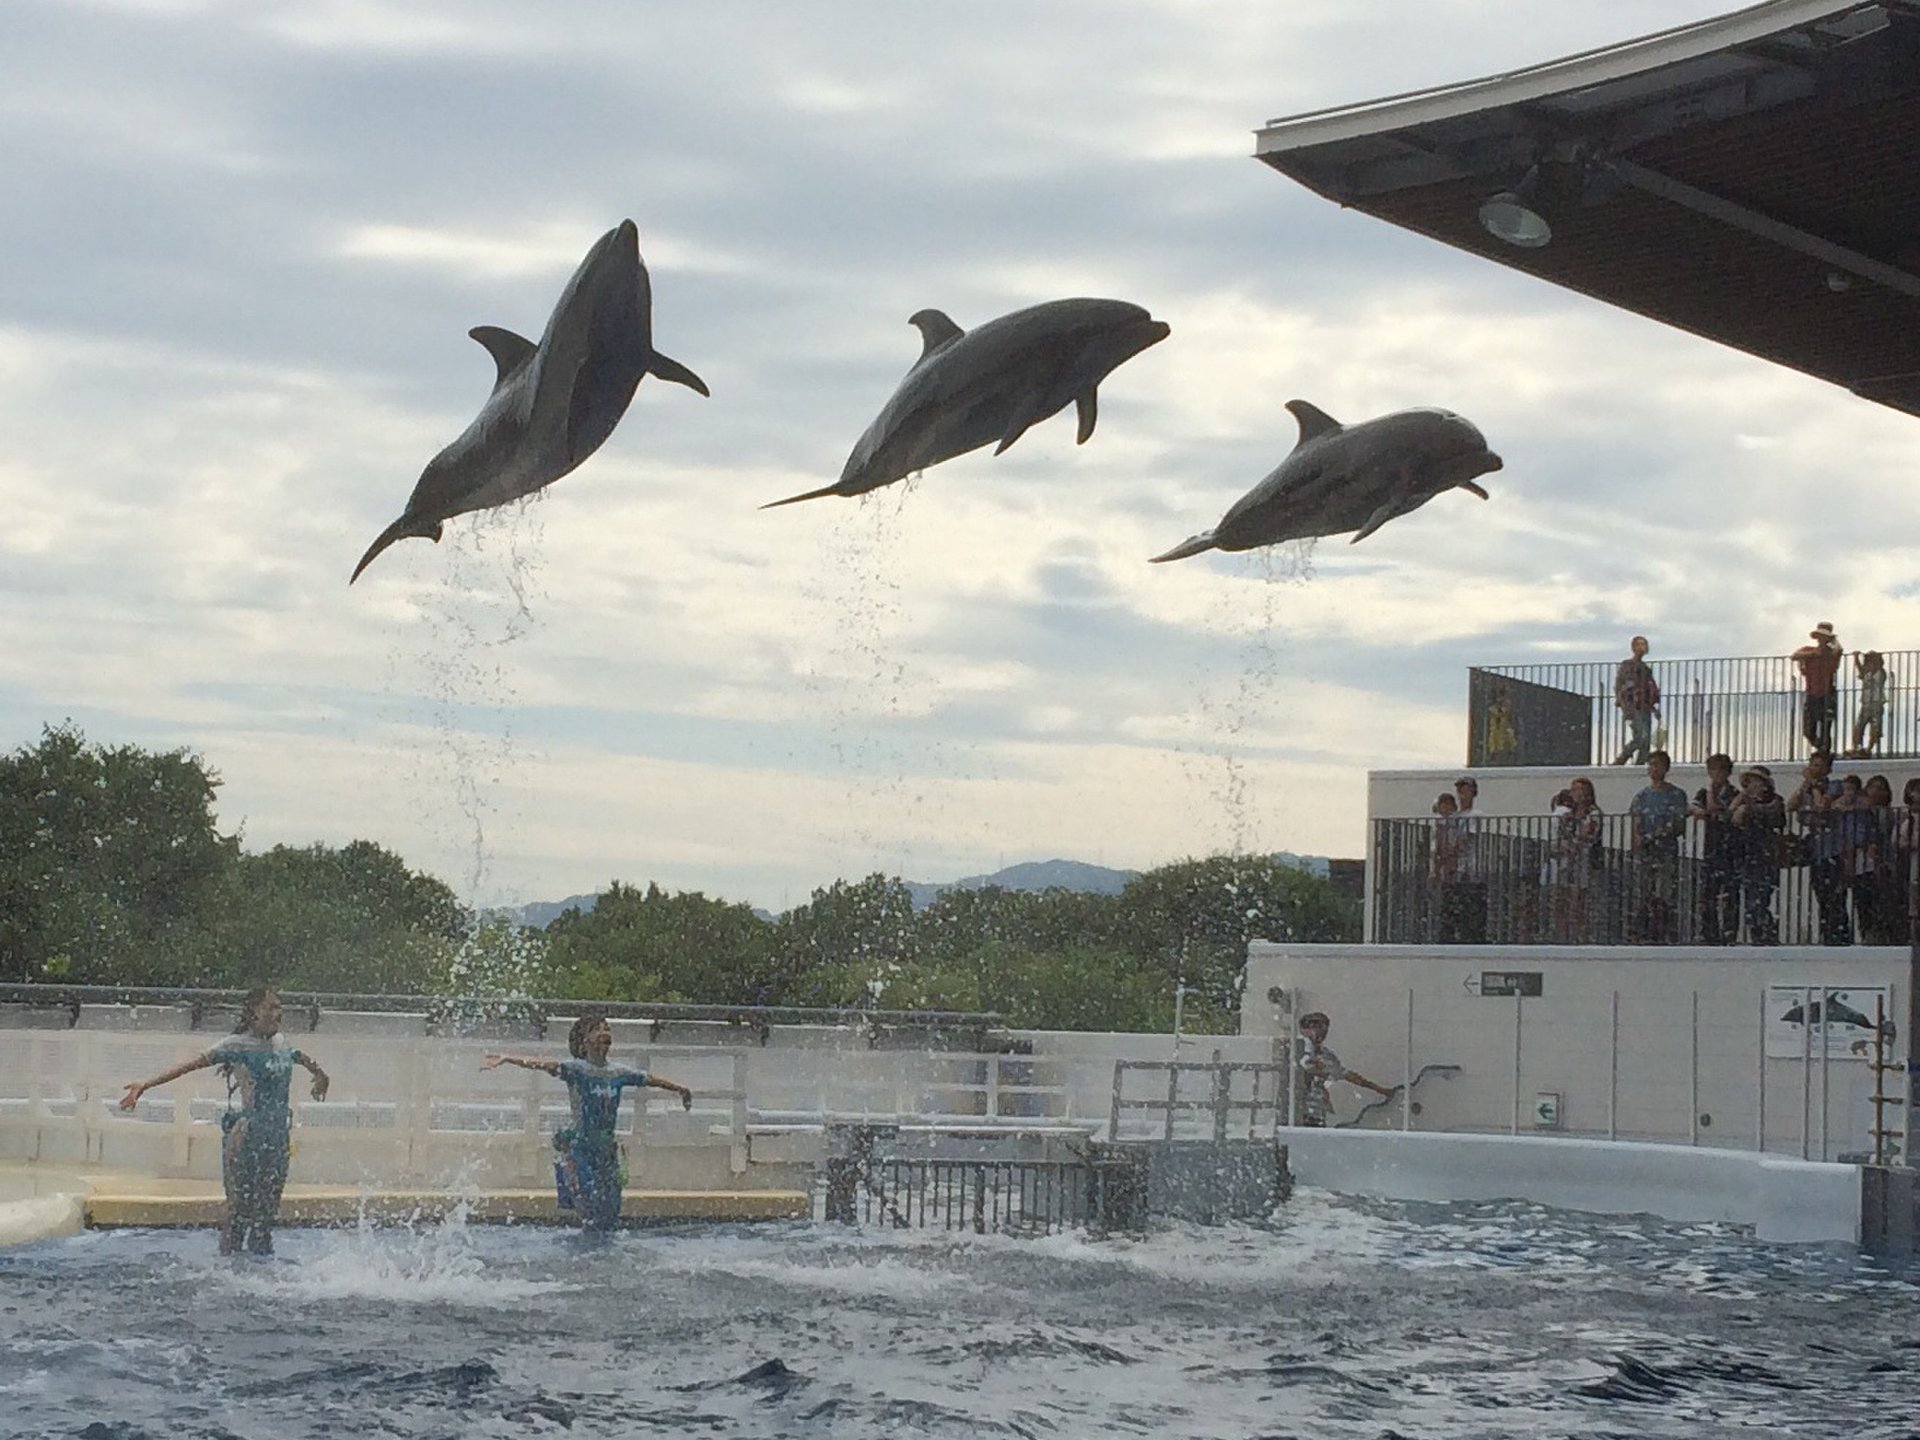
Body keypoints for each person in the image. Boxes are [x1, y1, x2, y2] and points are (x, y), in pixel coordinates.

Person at [119, 987, 330, 1255]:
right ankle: (228, 1272)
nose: (279, 1012)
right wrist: (145, 1085)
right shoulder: (237, 1045)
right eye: (272, 1007)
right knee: (239, 1213)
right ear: (254, 1013)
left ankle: (261, 1277)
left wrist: (321, 1075)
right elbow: (192, 1064)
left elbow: (298, 1057)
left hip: (277, 1139)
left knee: (266, 1218)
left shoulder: (281, 1042)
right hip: (247, 1136)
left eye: (280, 1006)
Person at [483, 1012, 693, 1232]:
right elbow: (545, 1064)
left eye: (607, 1028)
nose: (605, 1033)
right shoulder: (576, 1069)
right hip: (581, 1149)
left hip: (607, 1150)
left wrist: (680, 1089)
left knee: (610, 1214)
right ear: (585, 1041)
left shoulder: (618, 1072)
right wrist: (508, 1058)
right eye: (597, 1029)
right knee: (590, 1205)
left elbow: (649, 1079)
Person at [1788, 749, 1851, 945]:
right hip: (1817, 851)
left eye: (1819, 766)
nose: (1814, 769)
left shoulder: (1835, 786)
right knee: (1821, 895)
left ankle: (1840, 934)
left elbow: (1822, 806)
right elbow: (1791, 805)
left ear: (1827, 768)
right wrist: (1805, 786)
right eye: (1812, 765)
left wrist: (1815, 788)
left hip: (1833, 849)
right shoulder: (1807, 788)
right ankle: (1827, 933)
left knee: (1836, 896)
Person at [1295, 1011, 1393, 1127]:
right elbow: (1301, 1073)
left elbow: (1346, 1074)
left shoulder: (1326, 1055)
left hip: (1316, 1112)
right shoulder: (1295, 1051)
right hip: (1296, 1111)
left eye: (1323, 1028)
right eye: (1314, 1027)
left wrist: (1380, 1089)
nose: (1319, 1033)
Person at [1729, 766, 1784, 945]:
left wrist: (1748, 808)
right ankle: (1758, 934)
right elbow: (1730, 815)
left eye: (1756, 781)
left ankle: (1766, 934)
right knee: (1751, 901)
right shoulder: (1741, 801)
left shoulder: (1774, 802)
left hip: (1765, 858)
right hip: (1746, 856)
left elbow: (1776, 816)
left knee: (1759, 901)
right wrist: (1741, 801)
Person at [1689, 753, 1740, 944]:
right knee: (1708, 894)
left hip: (1730, 850)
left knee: (1730, 894)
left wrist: (1710, 797)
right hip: (1711, 850)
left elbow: (1718, 810)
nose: (1717, 774)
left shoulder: (1733, 793)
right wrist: (1698, 810)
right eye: (1713, 770)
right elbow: (1694, 807)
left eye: (1721, 770)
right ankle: (1709, 933)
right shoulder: (1703, 792)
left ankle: (1729, 932)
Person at [1438, 776, 1487, 943]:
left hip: (1469, 866)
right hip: (1454, 868)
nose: (1463, 794)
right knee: (1451, 904)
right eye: (1460, 791)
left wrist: (1450, 852)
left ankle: (1470, 937)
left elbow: (1466, 838)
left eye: (1466, 791)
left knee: (1470, 905)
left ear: (1474, 793)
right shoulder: (1454, 816)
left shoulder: (1476, 815)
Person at [1553, 778, 1603, 943]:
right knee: (1563, 901)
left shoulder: (1593, 813)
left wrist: (1573, 842)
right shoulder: (1569, 814)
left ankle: (1582, 937)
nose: (1576, 793)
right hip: (1568, 862)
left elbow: (1588, 835)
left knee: (1580, 902)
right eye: (1573, 790)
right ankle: (1562, 937)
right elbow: (1562, 836)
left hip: (1585, 862)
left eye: (1580, 790)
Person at [1792, 622, 1844, 756]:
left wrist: (1834, 641)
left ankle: (1824, 752)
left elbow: (1839, 650)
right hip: (1812, 693)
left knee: (1826, 728)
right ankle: (1820, 748)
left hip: (1827, 693)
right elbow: (1794, 655)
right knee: (1809, 729)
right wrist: (1814, 654)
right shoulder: (1809, 650)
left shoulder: (1832, 653)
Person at [1612, 635, 1660, 766]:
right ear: (1633, 648)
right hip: (1633, 706)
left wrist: (1654, 708)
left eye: (1644, 644)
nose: (1642, 647)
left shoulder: (1645, 669)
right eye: (1639, 645)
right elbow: (1620, 686)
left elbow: (1648, 689)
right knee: (1640, 737)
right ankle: (1622, 758)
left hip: (1644, 707)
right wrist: (1624, 705)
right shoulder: (1627, 665)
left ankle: (1639, 763)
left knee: (1646, 739)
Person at [1849, 650, 1891, 758]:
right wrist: (1856, 659)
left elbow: (1866, 671)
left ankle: (1869, 748)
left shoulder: (1880, 672)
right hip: (1866, 703)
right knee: (1859, 726)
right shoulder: (1867, 673)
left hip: (1877, 703)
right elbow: (1861, 670)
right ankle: (1857, 747)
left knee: (1875, 728)